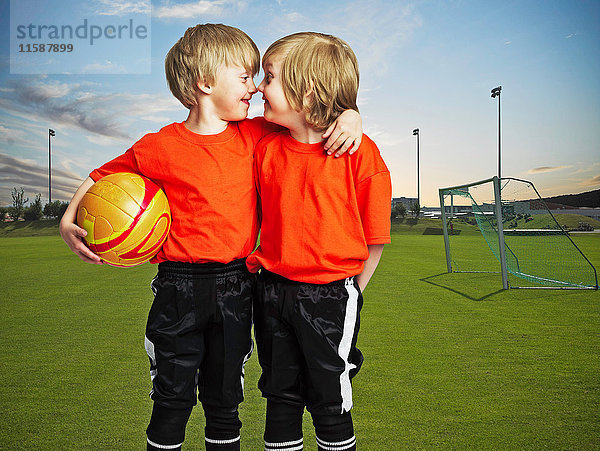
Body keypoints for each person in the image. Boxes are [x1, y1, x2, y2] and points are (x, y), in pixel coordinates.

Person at [59, 24, 363, 451]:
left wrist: (352, 114)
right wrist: (68, 216)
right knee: (171, 398)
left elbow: (311, 114)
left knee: (225, 401)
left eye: (259, 79)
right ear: (205, 83)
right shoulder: (158, 146)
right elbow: (101, 176)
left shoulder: (256, 134)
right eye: (244, 77)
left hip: (237, 286)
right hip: (176, 287)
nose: (255, 89)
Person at [246, 32, 392, 451]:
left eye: (269, 77)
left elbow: (375, 240)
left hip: (331, 296)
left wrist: (350, 295)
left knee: (330, 401)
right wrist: (352, 112)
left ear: (307, 92)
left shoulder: (360, 154)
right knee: (280, 397)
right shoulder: (263, 144)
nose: (258, 87)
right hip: (271, 291)